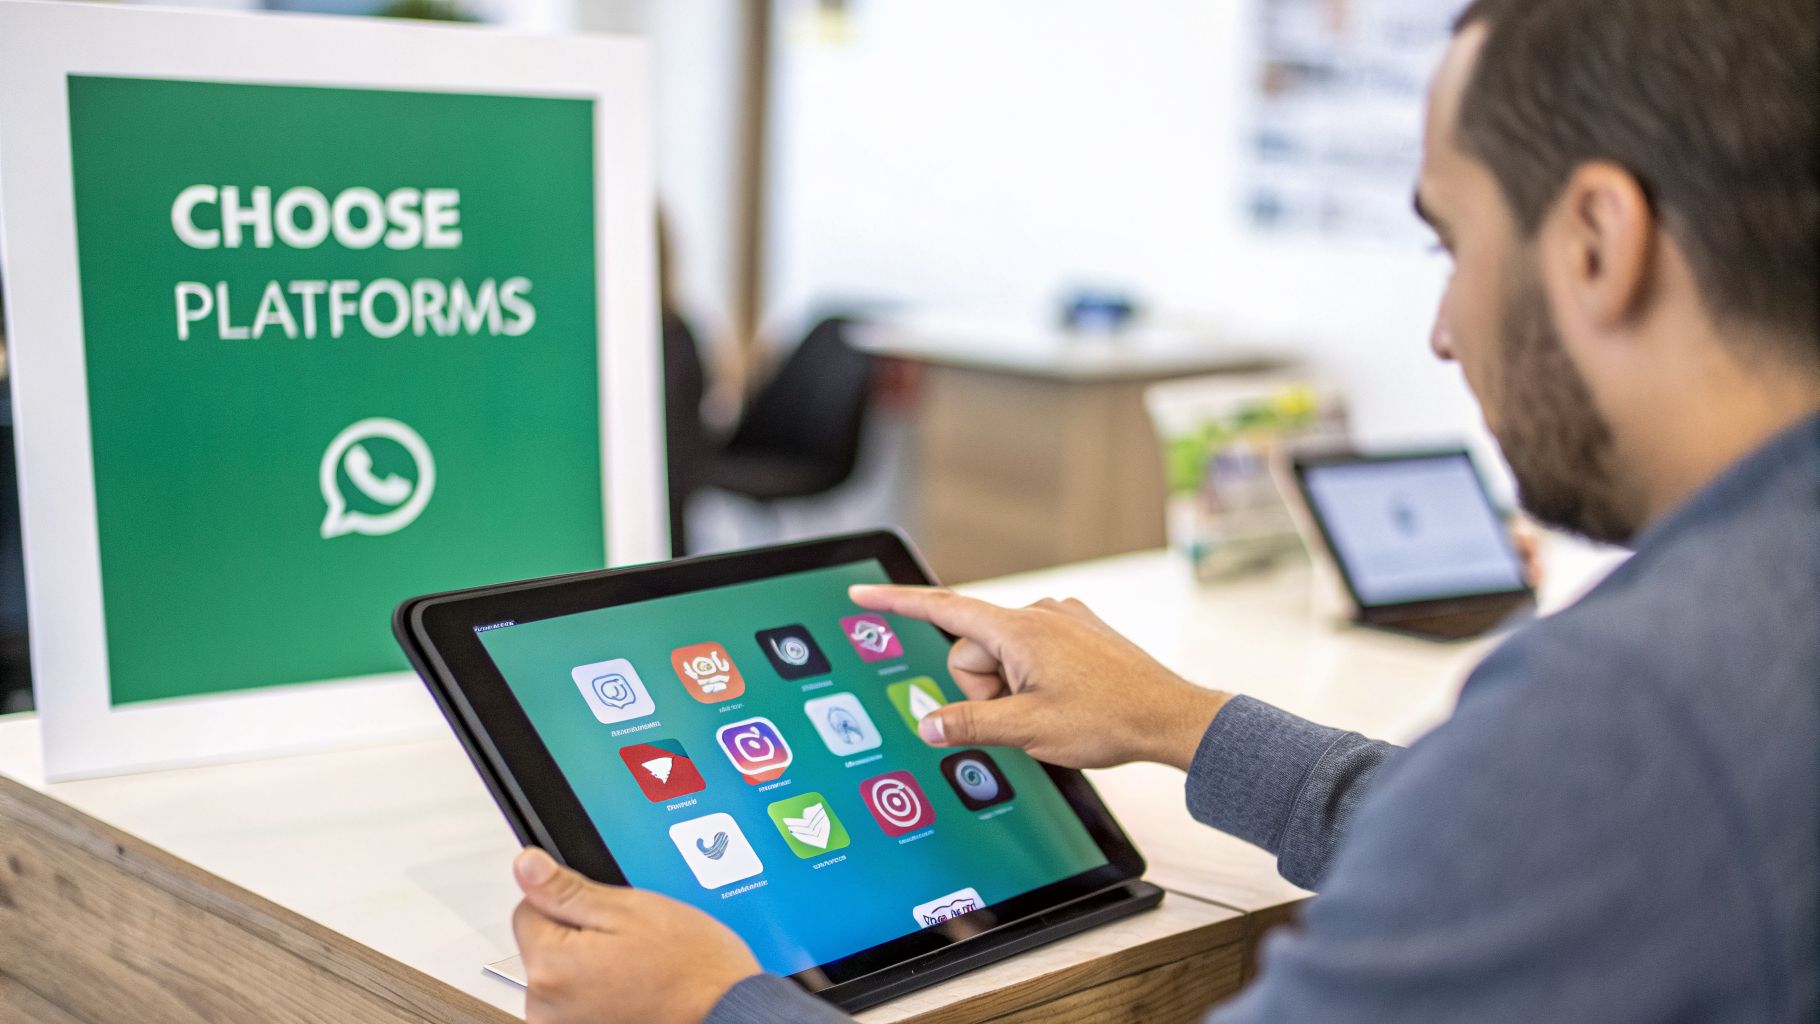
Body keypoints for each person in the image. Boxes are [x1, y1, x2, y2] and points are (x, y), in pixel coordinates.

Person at [504, 0, 1820, 1020]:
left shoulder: (1637, 717)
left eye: (1452, 243)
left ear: (1598, 238)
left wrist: (713, 1005)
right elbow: (1529, 847)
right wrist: (1177, 720)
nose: (1437, 329)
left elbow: (1562, 811)